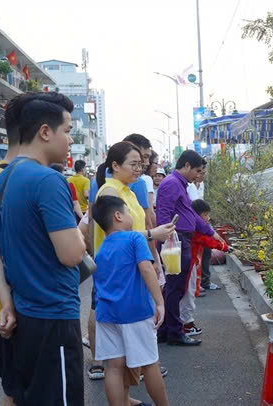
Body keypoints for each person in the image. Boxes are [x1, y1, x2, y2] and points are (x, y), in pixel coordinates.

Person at [0, 92, 86, 405]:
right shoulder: (48, 181)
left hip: (22, 318)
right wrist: (81, 231)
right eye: (68, 131)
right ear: (45, 132)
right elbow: (72, 254)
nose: (71, 140)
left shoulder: (3, 180)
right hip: (54, 321)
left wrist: (6, 304)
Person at [90, 141, 174, 395]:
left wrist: (154, 255)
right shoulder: (110, 194)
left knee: (115, 363)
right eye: (134, 164)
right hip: (129, 282)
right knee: (148, 360)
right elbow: (130, 237)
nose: (140, 168)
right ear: (115, 165)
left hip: (118, 282)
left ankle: (125, 400)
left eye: (142, 163)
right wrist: (152, 234)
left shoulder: (126, 190)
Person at [92, 195, 169, 406]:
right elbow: (146, 268)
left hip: (106, 314)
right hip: (135, 312)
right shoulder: (135, 238)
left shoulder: (101, 249)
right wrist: (160, 302)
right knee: (150, 364)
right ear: (118, 216)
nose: (130, 216)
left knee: (114, 368)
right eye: (127, 212)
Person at [156, 150, 224, 346]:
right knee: (175, 288)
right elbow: (164, 215)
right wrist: (168, 244)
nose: (198, 175)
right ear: (186, 166)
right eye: (197, 170)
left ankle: (168, 329)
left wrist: (210, 232)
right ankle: (174, 332)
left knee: (176, 287)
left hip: (181, 240)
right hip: (176, 242)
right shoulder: (171, 184)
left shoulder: (179, 184)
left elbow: (191, 215)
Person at [0, 92, 30, 406]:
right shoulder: (31, 181)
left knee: (13, 390)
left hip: (1, 309)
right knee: (19, 391)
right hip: (20, 308)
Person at [180, 199, 231, 337]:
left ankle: (184, 323)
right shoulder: (196, 229)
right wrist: (224, 247)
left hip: (191, 262)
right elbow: (206, 240)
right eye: (205, 215)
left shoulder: (191, 225)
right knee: (188, 293)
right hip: (189, 263)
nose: (207, 218)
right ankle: (187, 325)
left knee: (188, 292)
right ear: (197, 215)